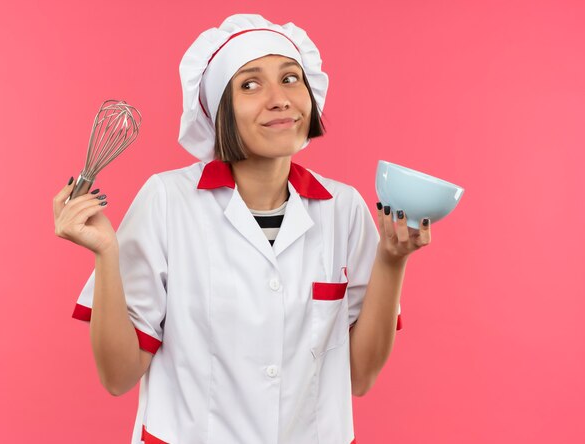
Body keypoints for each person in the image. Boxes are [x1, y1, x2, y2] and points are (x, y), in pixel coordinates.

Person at [53, 14, 431, 444]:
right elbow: (118, 377)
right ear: (220, 112)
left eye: (291, 79)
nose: (280, 99)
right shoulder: (167, 201)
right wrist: (106, 253)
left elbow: (359, 378)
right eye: (250, 85)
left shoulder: (343, 208)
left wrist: (391, 260)